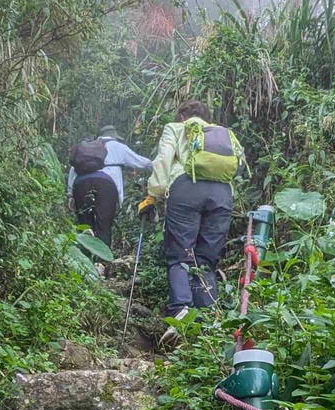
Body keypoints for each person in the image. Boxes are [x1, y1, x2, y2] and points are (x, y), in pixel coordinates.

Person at [140, 99, 245, 325]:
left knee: (180, 253)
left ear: (181, 116)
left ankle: (181, 308)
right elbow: (239, 167)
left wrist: (153, 194)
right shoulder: (220, 135)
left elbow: (163, 160)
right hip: (222, 193)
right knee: (205, 258)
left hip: (186, 188)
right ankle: (209, 314)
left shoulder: (176, 128)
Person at [66, 124, 152, 249]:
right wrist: (161, 166)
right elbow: (143, 163)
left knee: (85, 224)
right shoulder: (119, 147)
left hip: (81, 183)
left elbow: (73, 169)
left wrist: (70, 194)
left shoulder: (87, 148)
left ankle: (86, 258)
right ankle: (101, 262)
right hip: (106, 185)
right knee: (104, 225)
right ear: (115, 136)